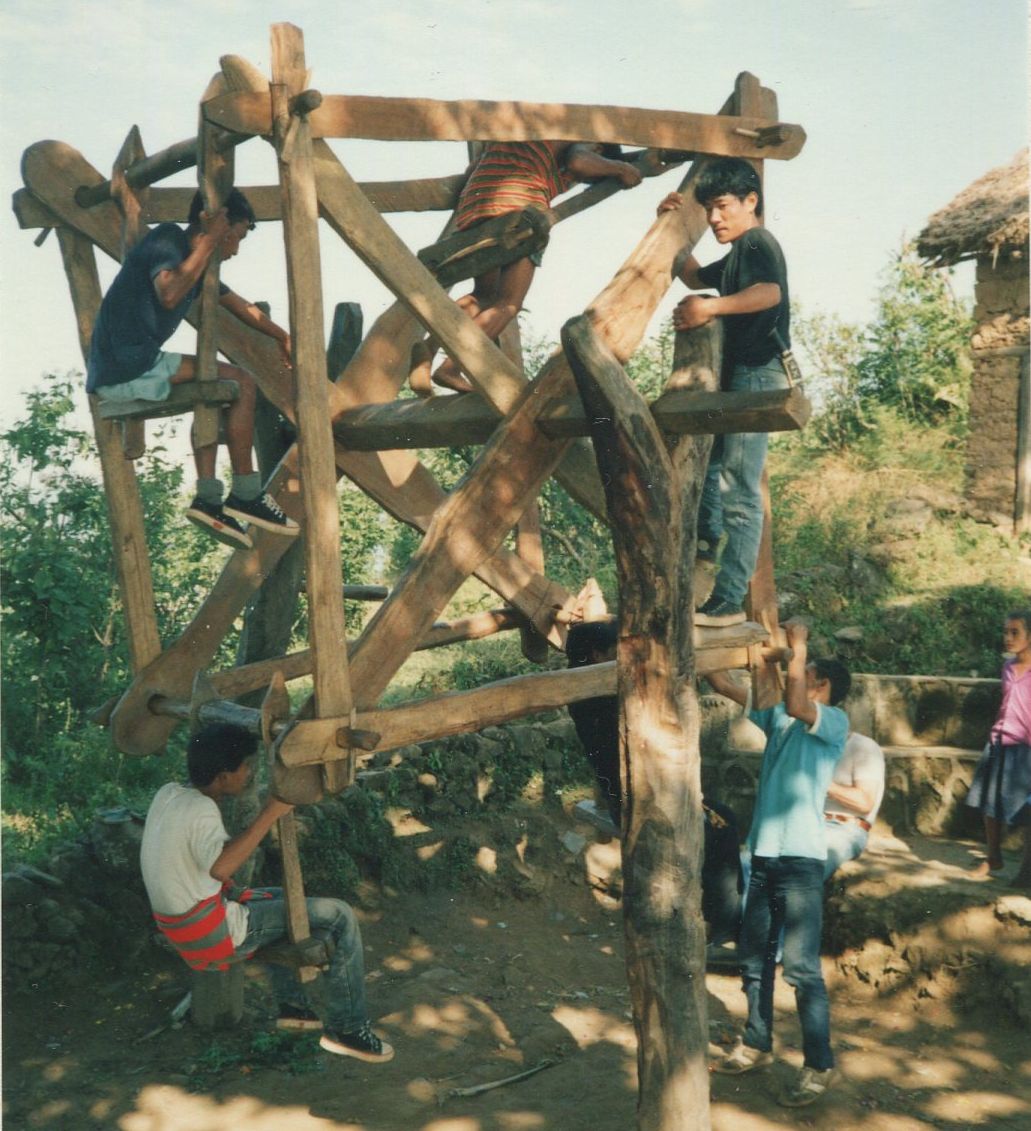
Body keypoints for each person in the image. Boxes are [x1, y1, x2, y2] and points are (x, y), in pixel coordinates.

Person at [139, 723, 393, 1062]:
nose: (249, 774)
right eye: (246, 767)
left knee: (282, 901)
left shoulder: (169, 794)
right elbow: (219, 868)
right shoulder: (202, 809)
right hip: (210, 935)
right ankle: (349, 1031)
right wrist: (270, 813)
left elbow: (198, 860)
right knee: (340, 916)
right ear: (223, 775)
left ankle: (294, 1008)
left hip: (178, 928)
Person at [87, 189, 299, 551]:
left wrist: (282, 336)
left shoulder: (197, 265)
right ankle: (246, 492)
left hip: (129, 366)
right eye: (239, 235)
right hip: (127, 366)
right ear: (216, 224)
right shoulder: (169, 238)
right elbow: (169, 292)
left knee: (217, 390)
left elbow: (239, 306)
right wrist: (212, 238)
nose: (236, 248)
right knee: (242, 382)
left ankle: (209, 498)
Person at [706, 622, 849, 1108]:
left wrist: (800, 646)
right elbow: (727, 686)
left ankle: (819, 1065)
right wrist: (730, 652)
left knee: (802, 969)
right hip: (765, 858)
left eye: (806, 671)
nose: (800, 675)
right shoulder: (782, 723)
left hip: (802, 861)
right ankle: (758, 1042)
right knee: (752, 958)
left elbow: (792, 702)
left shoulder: (830, 722)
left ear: (823, 686)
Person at [658, 157, 791, 628]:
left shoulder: (756, 241)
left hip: (758, 374)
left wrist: (711, 310)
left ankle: (730, 598)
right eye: (708, 210)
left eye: (721, 207)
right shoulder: (737, 254)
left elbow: (769, 293)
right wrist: (670, 225)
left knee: (739, 489)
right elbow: (694, 277)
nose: (714, 218)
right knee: (713, 467)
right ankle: (706, 539)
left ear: (750, 202)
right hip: (739, 378)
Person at [565, 619, 743, 950]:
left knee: (722, 821)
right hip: (641, 801)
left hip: (642, 794)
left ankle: (723, 921)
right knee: (721, 829)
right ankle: (724, 929)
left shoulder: (590, 693)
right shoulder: (599, 698)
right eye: (616, 652)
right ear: (594, 656)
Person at [412, 141, 642, 394]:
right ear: (598, 148)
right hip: (519, 211)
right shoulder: (578, 142)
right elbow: (579, 161)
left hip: (476, 207)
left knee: (484, 295)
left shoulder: (523, 141)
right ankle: (452, 367)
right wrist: (620, 168)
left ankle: (428, 347)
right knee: (509, 302)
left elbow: (471, 172)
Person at [966, 609, 1031, 888]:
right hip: (999, 740)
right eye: (1005, 632)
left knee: (1027, 812)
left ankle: (1027, 870)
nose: (1007, 638)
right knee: (988, 802)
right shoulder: (1007, 668)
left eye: (1015, 632)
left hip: (1025, 748)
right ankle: (993, 856)